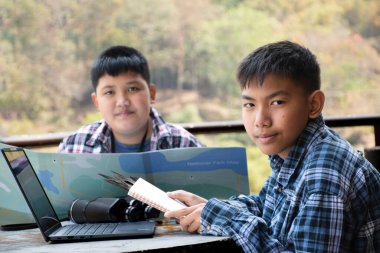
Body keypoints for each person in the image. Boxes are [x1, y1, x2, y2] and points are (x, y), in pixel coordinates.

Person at [165, 41, 380, 252]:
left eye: (277, 102)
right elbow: (264, 206)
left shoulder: (325, 169)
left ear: (314, 104)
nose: (260, 120)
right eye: (250, 105)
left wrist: (224, 218)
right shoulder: (292, 155)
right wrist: (211, 208)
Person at [59, 45, 203, 153]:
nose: (122, 101)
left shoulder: (184, 144)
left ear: (151, 93)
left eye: (132, 89)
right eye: (109, 92)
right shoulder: (75, 146)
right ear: (96, 102)